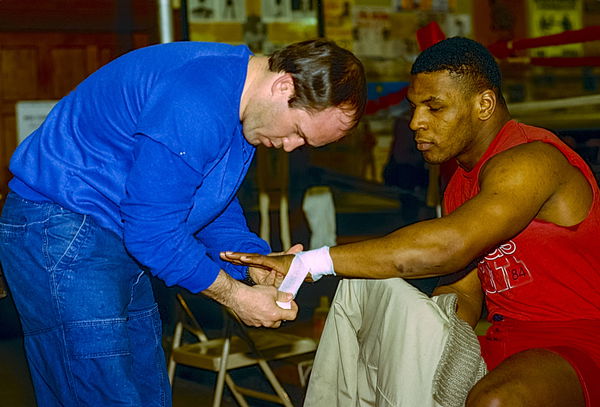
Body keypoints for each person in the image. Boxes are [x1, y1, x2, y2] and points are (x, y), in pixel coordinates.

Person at [223, 37, 600, 406]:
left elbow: (449, 246)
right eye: (414, 106)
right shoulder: (456, 177)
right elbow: (465, 288)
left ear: (484, 104)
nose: (416, 122)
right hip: (502, 339)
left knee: (496, 401)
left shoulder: (531, 160)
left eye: (434, 108)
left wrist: (311, 262)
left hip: (574, 343)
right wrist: (429, 337)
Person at [0, 39, 366, 407]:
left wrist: (254, 263)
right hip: (63, 226)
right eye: (298, 132)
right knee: (101, 394)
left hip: (113, 233)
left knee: (148, 393)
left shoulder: (240, 100)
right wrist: (235, 297)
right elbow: (153, 233)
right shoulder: (198, 99)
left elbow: (205, 201)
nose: (290, 146)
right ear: (284, 86)